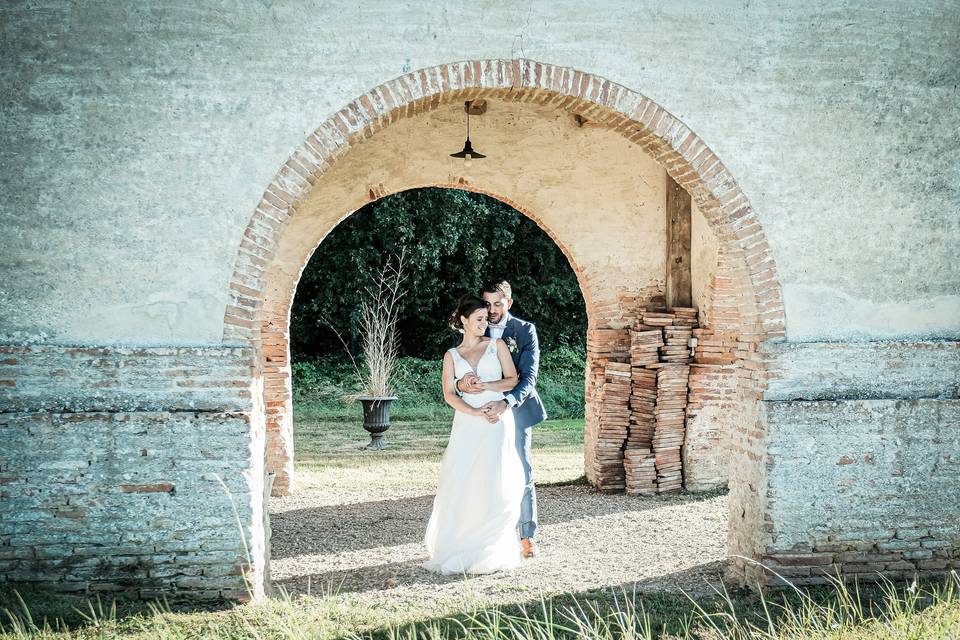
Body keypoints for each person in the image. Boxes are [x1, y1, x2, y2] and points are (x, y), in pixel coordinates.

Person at [422, 295, 527, 575]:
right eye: (479, 319)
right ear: (464, 321)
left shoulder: (497, 345)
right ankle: (460, 544)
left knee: (493, 477)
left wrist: (486, 386)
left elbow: (513, 379)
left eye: (486, 318)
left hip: (496, 419)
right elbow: (449, 394)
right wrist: (472, 411)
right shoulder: (452, 356)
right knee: (463, 478)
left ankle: (490, 546)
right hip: (468, 423)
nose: (485, 323)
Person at [456, 280, 546, 558]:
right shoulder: (475, 325)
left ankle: (527, 536)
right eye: (488, 303)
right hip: (478, 412)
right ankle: (485, 535)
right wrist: (461, 385)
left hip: (514, 410)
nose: (492, 310)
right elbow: (458, 364)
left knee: (521, 471)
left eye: (498, 303)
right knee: (480, 472)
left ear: (509, 302)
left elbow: (528, 378)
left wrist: (506, 403)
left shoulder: (524, 331)